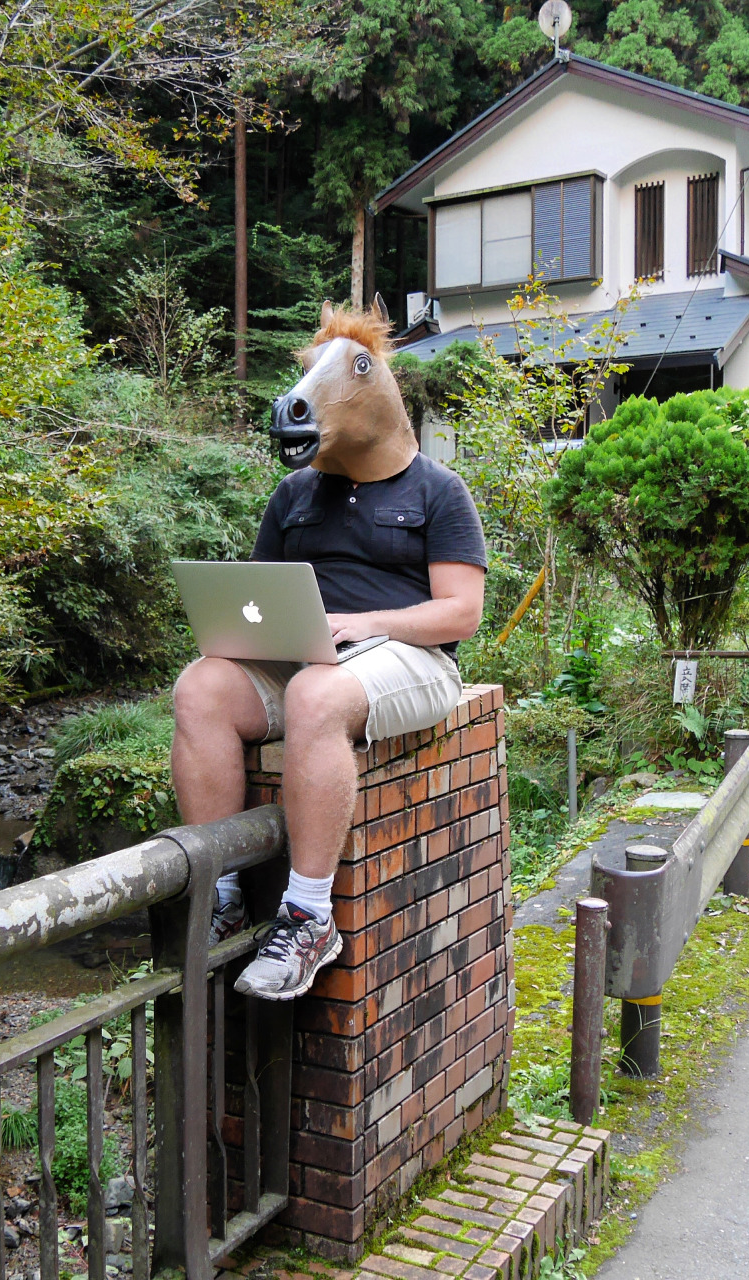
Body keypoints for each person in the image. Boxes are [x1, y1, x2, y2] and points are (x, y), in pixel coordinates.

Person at [171, 300, 487, 1000]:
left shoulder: (438, 491)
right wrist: (247, 635)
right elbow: (262, 592)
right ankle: (220, 896)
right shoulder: (294, 495)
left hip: (411, 659)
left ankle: (310, 915)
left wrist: (365, 621)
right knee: (200, 686)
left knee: (318, 694)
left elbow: (461, 612)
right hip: (312, 655)